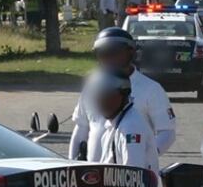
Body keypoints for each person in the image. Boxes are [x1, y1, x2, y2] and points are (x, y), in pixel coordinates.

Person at [69, 27, 176, 163]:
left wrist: (146, 155)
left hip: (129, 174)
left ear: (131, 53)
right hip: (92, 176)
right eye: (102, 54)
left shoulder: (151, 89)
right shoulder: (92, 84)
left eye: (114, 53)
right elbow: (81, 127)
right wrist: (71, 163)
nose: (108, 58)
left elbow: (167, 132)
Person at [89, 68, 160, 175]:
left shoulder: (131, 127)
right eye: (97, 96)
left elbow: (133, 178)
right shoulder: (116, 124)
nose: (100, 101)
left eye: (105, 96)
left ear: (123, 94)